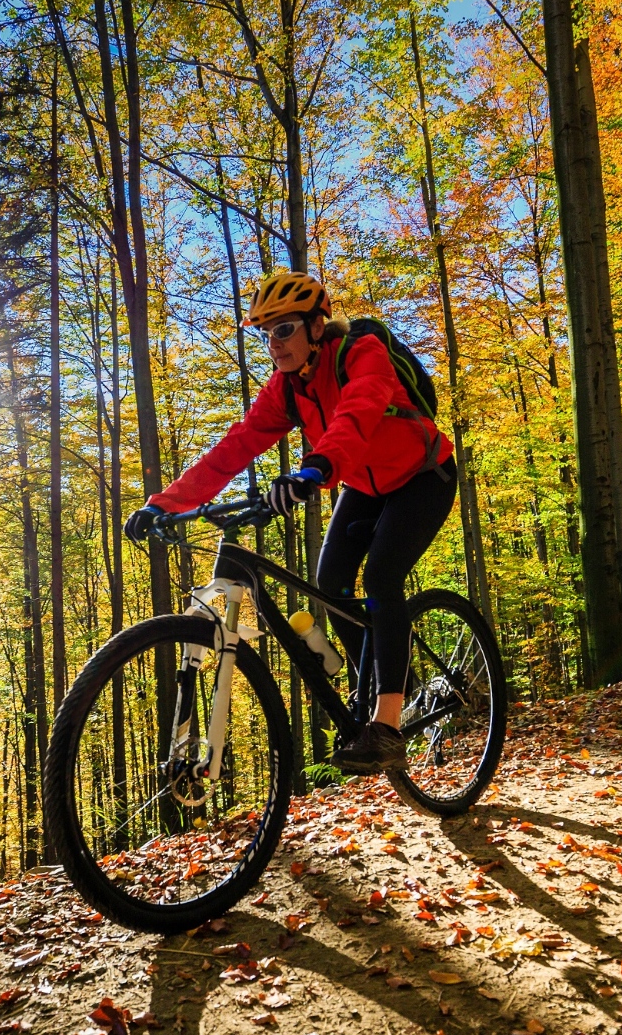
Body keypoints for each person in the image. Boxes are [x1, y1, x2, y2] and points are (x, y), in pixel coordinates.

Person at [123, 270, 457, 774]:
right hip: (364, 486)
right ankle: (382, 678)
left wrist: (316, 468)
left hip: (424, 475)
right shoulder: (285, 389)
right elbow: (235, 447)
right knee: (330, 584)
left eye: (284, 330)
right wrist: (164, 503)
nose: (274, 344)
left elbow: (360, 411)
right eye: (265, 334)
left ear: (317, 326)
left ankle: (387, 723)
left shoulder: (361, 352)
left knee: (383, 575)